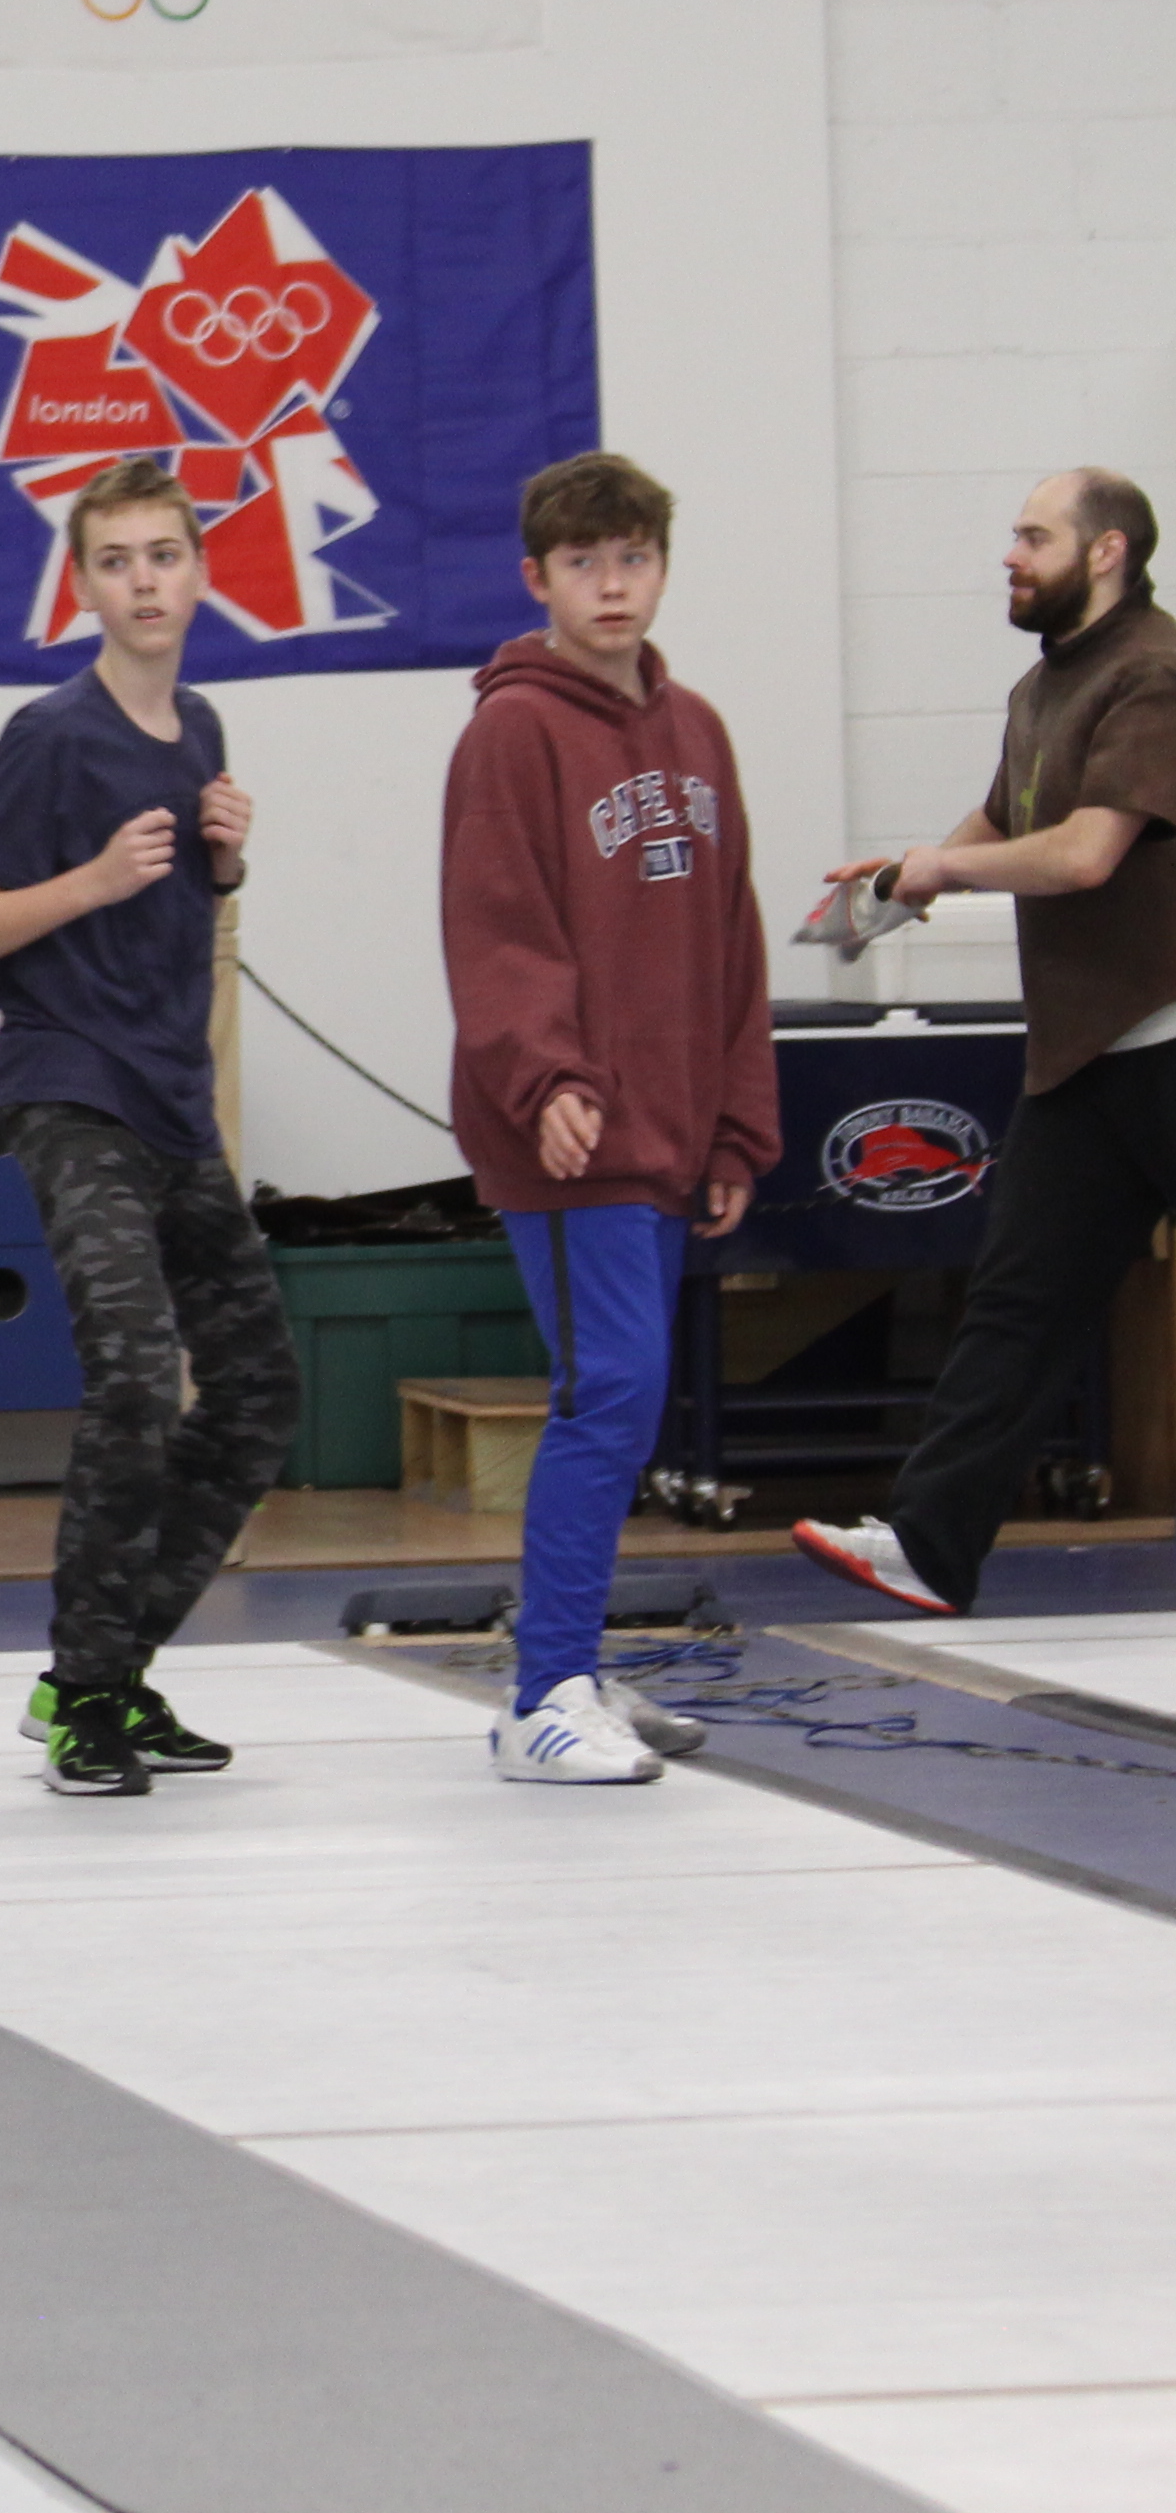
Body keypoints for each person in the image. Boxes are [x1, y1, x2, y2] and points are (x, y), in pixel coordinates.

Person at [0, 459, 293, 1796]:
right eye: (119, 561)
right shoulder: (52, 737)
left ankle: (112, 1671)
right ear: (84, 586)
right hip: (69, 1092)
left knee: (259, 1392)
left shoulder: (197, 724)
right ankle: (83, 1697)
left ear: (200, 573)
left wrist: (228, 858)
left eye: (165, 556)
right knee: (137, 1375)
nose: (146, 581)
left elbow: (188, 907)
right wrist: (87, 880)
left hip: (173, 1102)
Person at [442, 450, 775, 1784]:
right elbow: (495, 925)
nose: (613, 584)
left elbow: (730, 935)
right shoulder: (513, 730)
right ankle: (542, 1697)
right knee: (612, 1389)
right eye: (585, 563)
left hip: (672, 1130)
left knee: (626, 1405)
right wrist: (547, 1079)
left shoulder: (696, 730)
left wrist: (739, 1125)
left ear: (661, 567)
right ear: (540, 578)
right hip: (567, 1135)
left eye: (633, 558)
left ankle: (573, 1660)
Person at [794, 468, 1170, 1619]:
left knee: (1023, 1299)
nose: (1010, 554)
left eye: (1033, 536)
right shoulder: (1040, 687)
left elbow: (1084, 855)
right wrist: (899, 886)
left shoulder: (1154, 674)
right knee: (1018, 1300)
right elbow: (1004, 821)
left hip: (1167, 1038)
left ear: (1104, 553)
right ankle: (933, 1545)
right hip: (1090, 1054)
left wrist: (949, 871)